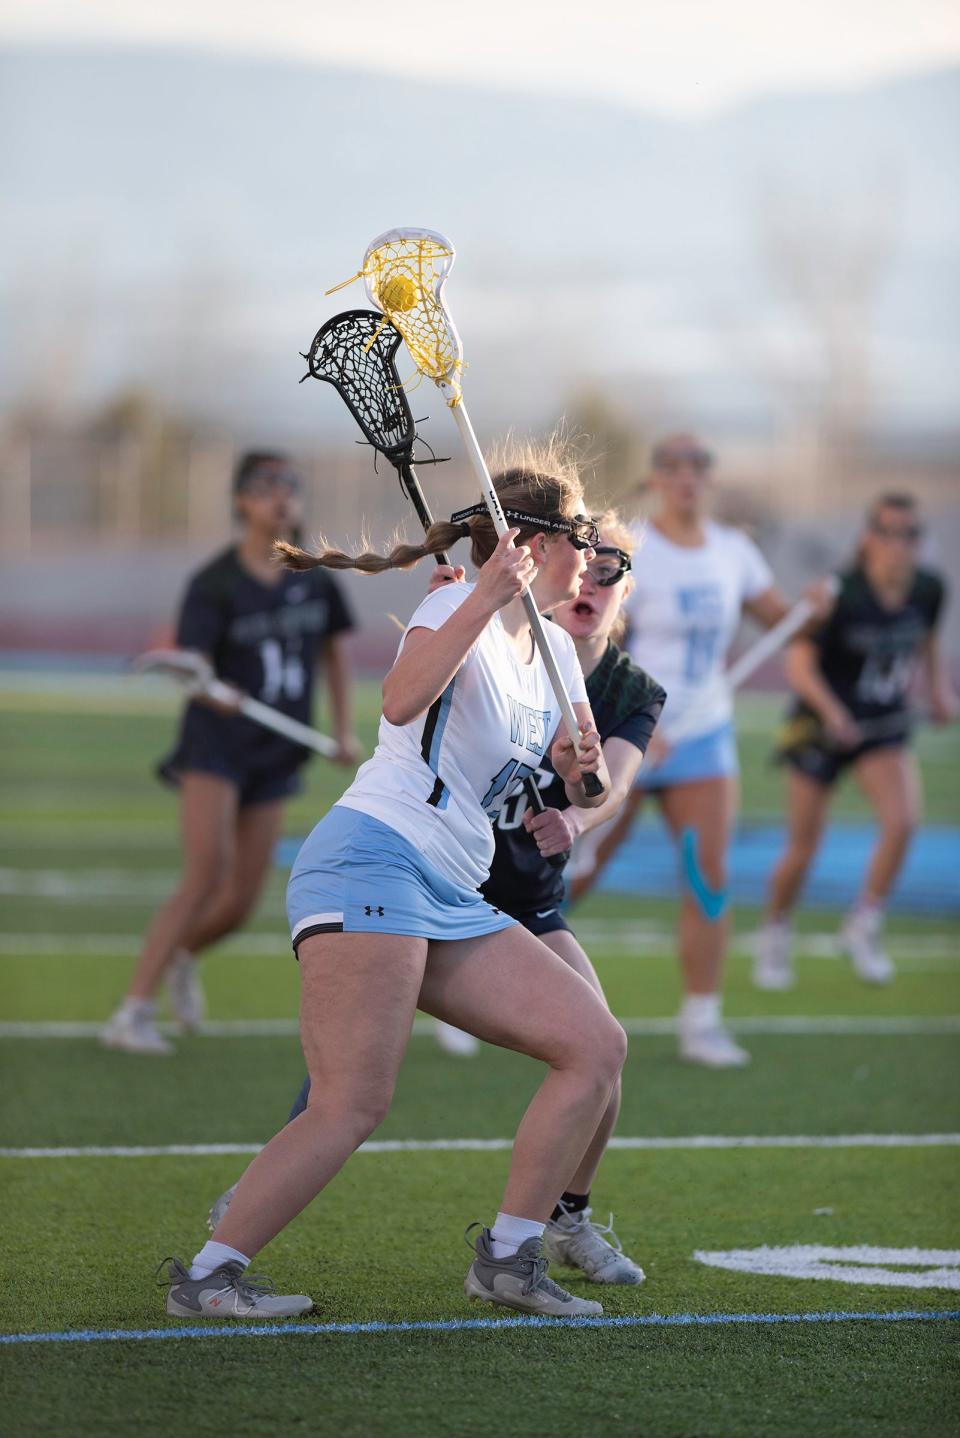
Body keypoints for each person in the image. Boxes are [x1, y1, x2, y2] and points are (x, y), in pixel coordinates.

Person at [159, 445, 630, 1323]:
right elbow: (401, 700)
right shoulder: (460, 599)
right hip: (374, 856)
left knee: (595, 1044)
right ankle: (210, 1275)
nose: (594, 549)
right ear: (532, 542)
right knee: (351, 1102)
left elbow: (584, 784)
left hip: (453, 889)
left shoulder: (563, 655)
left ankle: (509, 1255)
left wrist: (584, 768)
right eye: (582, 532)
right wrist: (481, 597)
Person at [569, 434, 826, 1068]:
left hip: (704, 734)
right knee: (575, 868)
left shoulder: (734, 552)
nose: (687, 478)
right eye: (673, 467)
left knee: (709, 878)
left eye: (698, 467)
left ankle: (702, 1021)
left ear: (710, 479)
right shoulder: (633, 548)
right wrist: (639, 726)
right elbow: (599, 631)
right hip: (630, 726)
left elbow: (782, 620)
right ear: (655, 478)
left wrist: (812, 610)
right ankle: (489, 983)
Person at [101, 451, 360, 1055]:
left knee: (241, 901)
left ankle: (183, 956)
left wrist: (344, 729)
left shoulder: (316, 577)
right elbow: (194, 666)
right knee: (205, 872)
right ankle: (131, 1011)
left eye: (291, 486)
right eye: (267, 486)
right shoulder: (214, 582)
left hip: (277, 750)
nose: (282, 497)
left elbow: (336, 655)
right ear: (242, 500)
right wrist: (211, 688)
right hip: (215, 746)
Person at [755, 492, 955, 989]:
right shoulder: (840, 591)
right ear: (868, 538)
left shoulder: (929, 588)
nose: (899, 544)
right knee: (804, 846)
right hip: (821, 726)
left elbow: (928, 640)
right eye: (888, 532)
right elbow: (798, 665)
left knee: (903, 821)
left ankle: (863, 923)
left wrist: (939, 692)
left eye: (910, 534)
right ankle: (775, 931)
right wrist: (833, 712)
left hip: (881, 726)